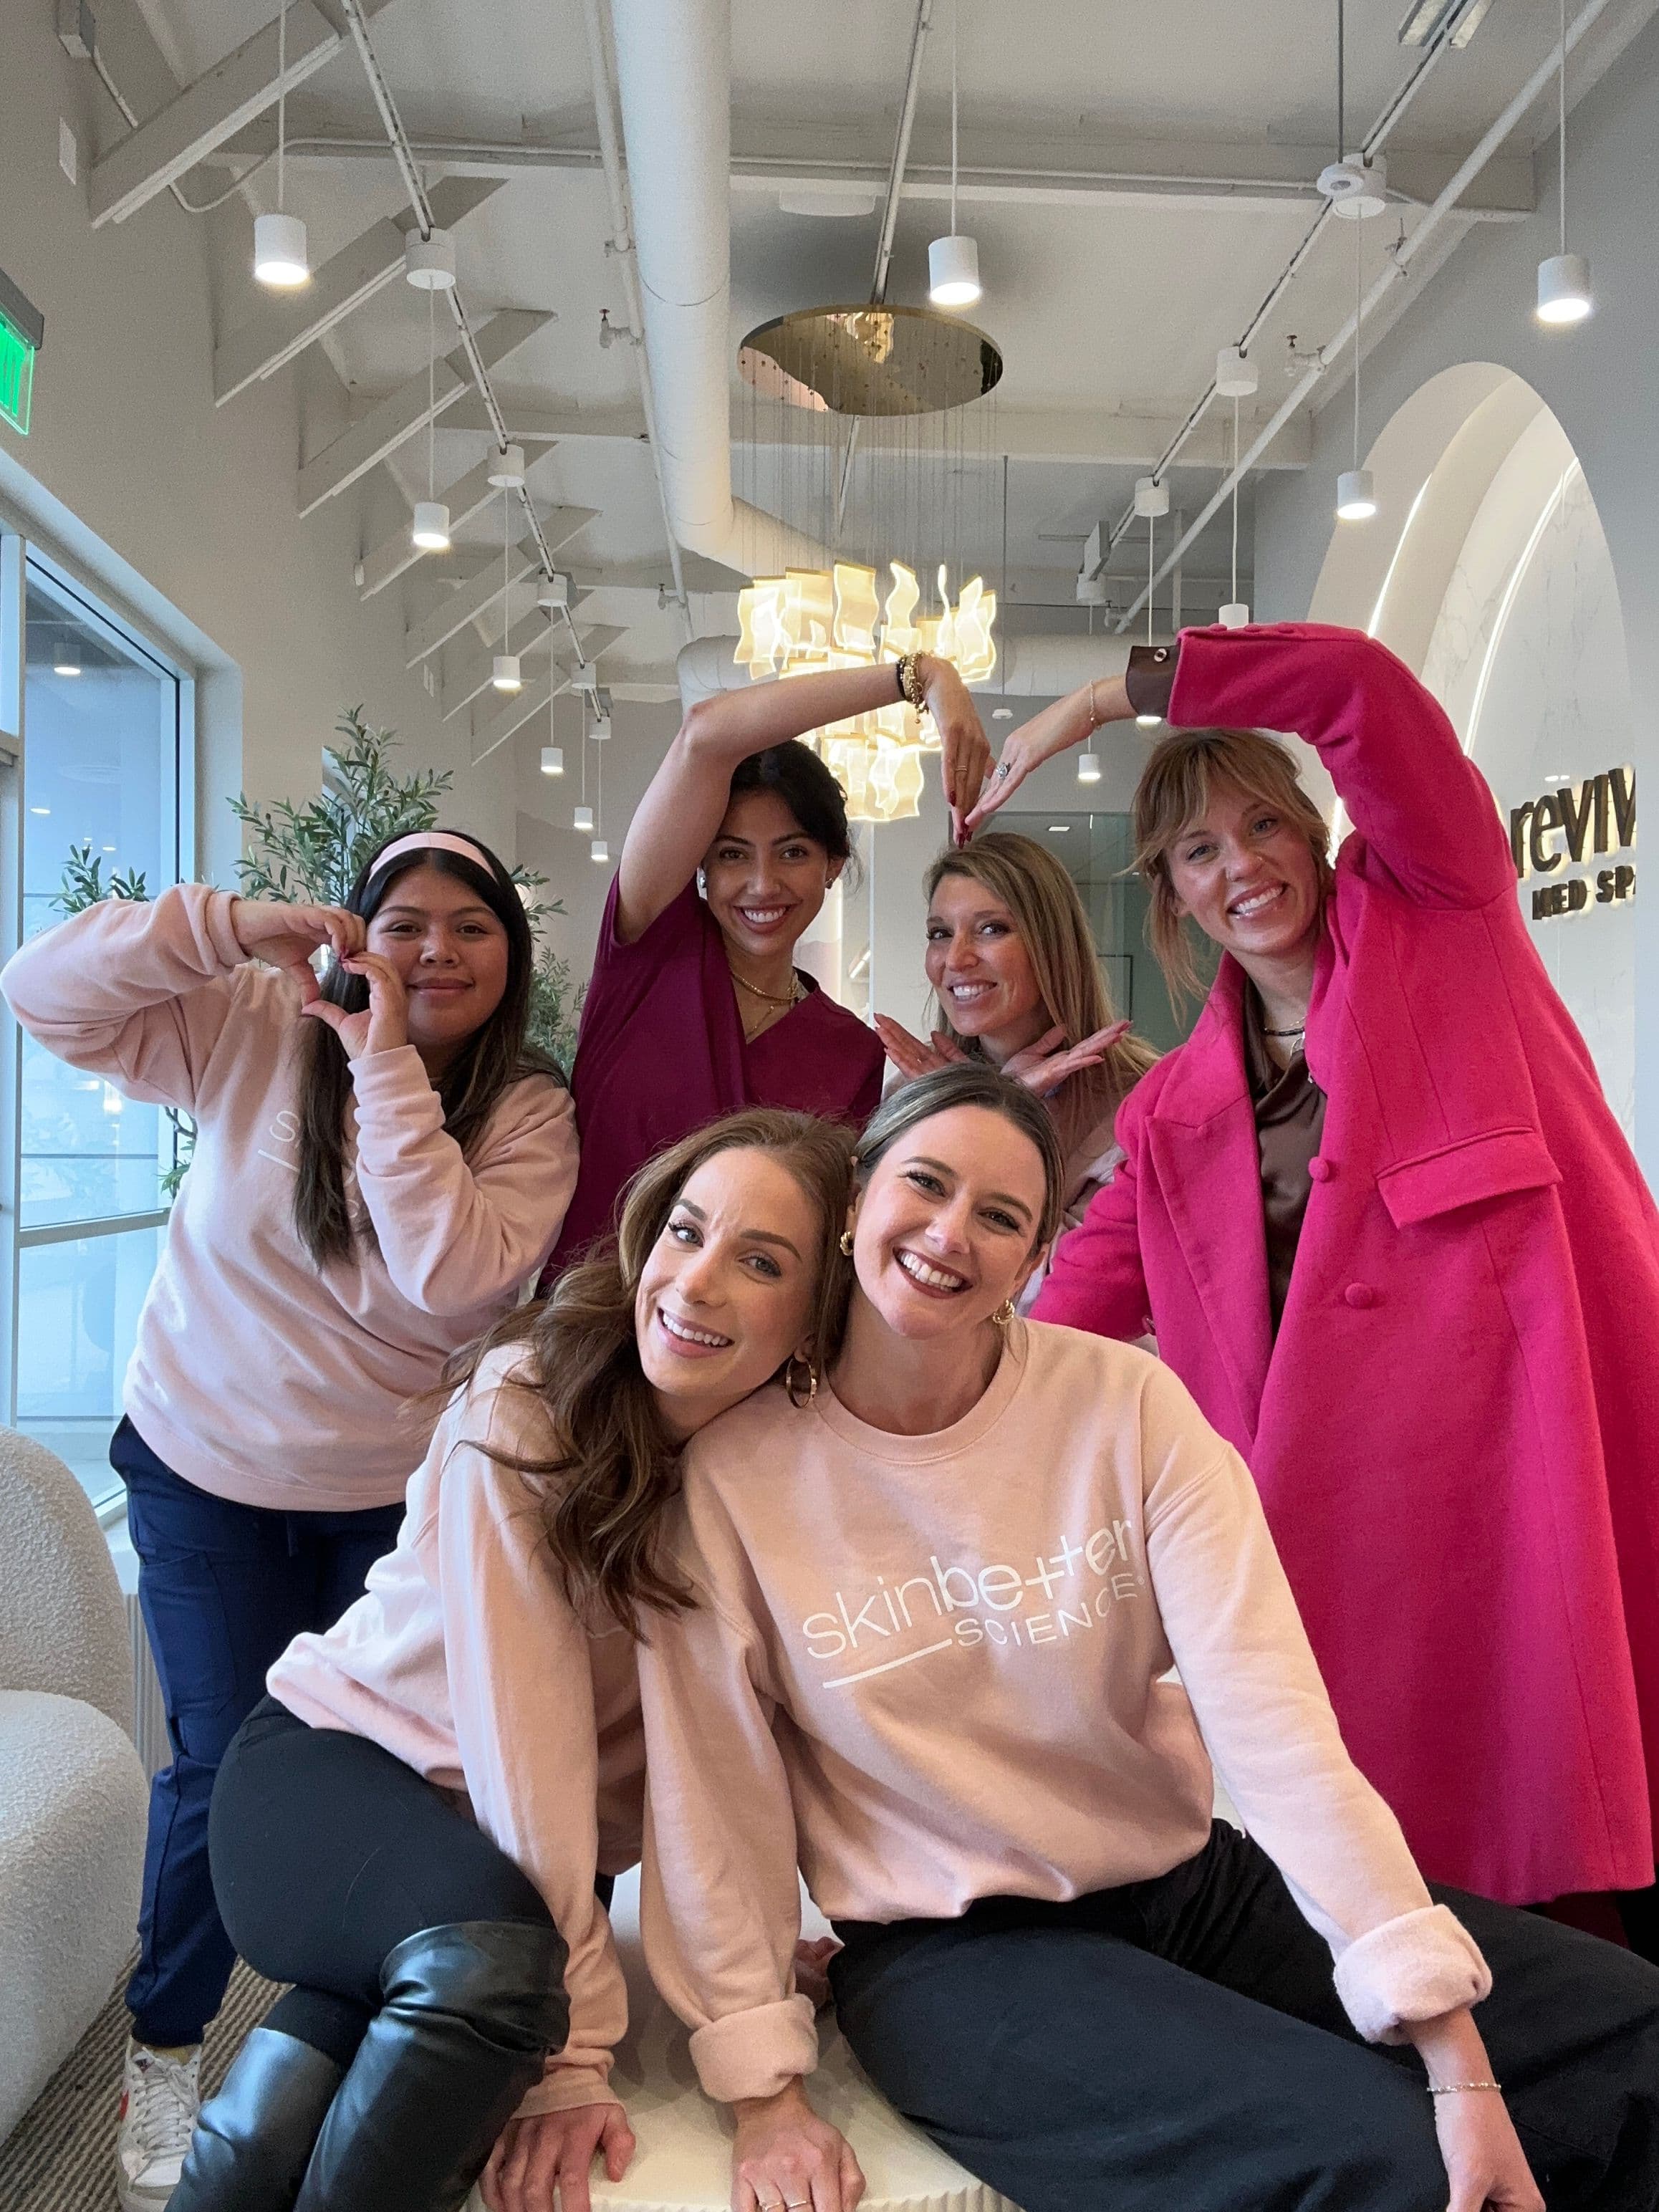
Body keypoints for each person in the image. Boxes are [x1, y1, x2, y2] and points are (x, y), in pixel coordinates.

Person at [635, 1064, 1659, 2212]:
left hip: (1187, 1884)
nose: (948, 1234)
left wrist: (1453, 2051)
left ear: (1035, 1259)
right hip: (952, 1958)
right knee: (1382, 2161)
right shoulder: (735, 1475)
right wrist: (763, 2087)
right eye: (922, 1185)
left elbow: (1274, 1731)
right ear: (859, 1195)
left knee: (1631, 2031)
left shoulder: (1126, 1406)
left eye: (1001, 1216)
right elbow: (711, 1799)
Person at [965, 620, 1659, 1943]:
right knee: (1391, 1804)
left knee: (1552, 1773)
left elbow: (1359, 690)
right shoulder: (1172, 1110)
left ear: (1313, 830)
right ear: (1172, 893)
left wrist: (1105, 702)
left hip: (1525, 1449)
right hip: (1341, 1497)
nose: (1243, 868)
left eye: (1261, 828)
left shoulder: (1441, 915)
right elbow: (1068, 1307)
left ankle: (1592, 2035)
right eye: (1199, 851)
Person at [1, 830, 580, 2212]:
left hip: (388, 1497)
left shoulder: (527, 1110)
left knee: (378, 1776)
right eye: (408, 922)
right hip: (202, 1469)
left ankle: (356, 2032)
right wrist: (228, 923)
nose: (436, 950)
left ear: (511, 957)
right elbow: (44, 989)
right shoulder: (257, 1024)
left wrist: (381, 1061)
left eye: (471, 927)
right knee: (218, 1768)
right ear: (355, 934)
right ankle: (161, 2047)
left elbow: (449, 1277)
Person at [166, 1106, 855, 2212]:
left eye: (760, 1261)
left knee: (291, 2122)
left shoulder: (770, 1477)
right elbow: (523, 1737)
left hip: (486, 1851)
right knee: (494, 1979)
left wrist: (755, 2010)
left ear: (818, 1322)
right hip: (334, 1774)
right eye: (684, 1231)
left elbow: (726, 1759)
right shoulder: (533, 1403)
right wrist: (569, 2057)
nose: (696, 1282)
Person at [544, 649, 992, 1271]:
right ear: (700, 865)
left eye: (792, 853)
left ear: (833, 865)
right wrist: (920, 677)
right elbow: (705, 734)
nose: (761, 885)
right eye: (732, 855)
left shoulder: (852, 1054)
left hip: (728, 1350)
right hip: (578, 1335)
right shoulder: (649, 950)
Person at [873, 829, 1158, 1242]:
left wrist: (1000, 1116)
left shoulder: (1140, 1100)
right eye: (940, 933)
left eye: (991, 929)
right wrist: (987, 1101)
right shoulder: (913, 1091)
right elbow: (873, 1240)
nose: (956, 958)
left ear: (1051, 944)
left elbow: (1065, 1283)